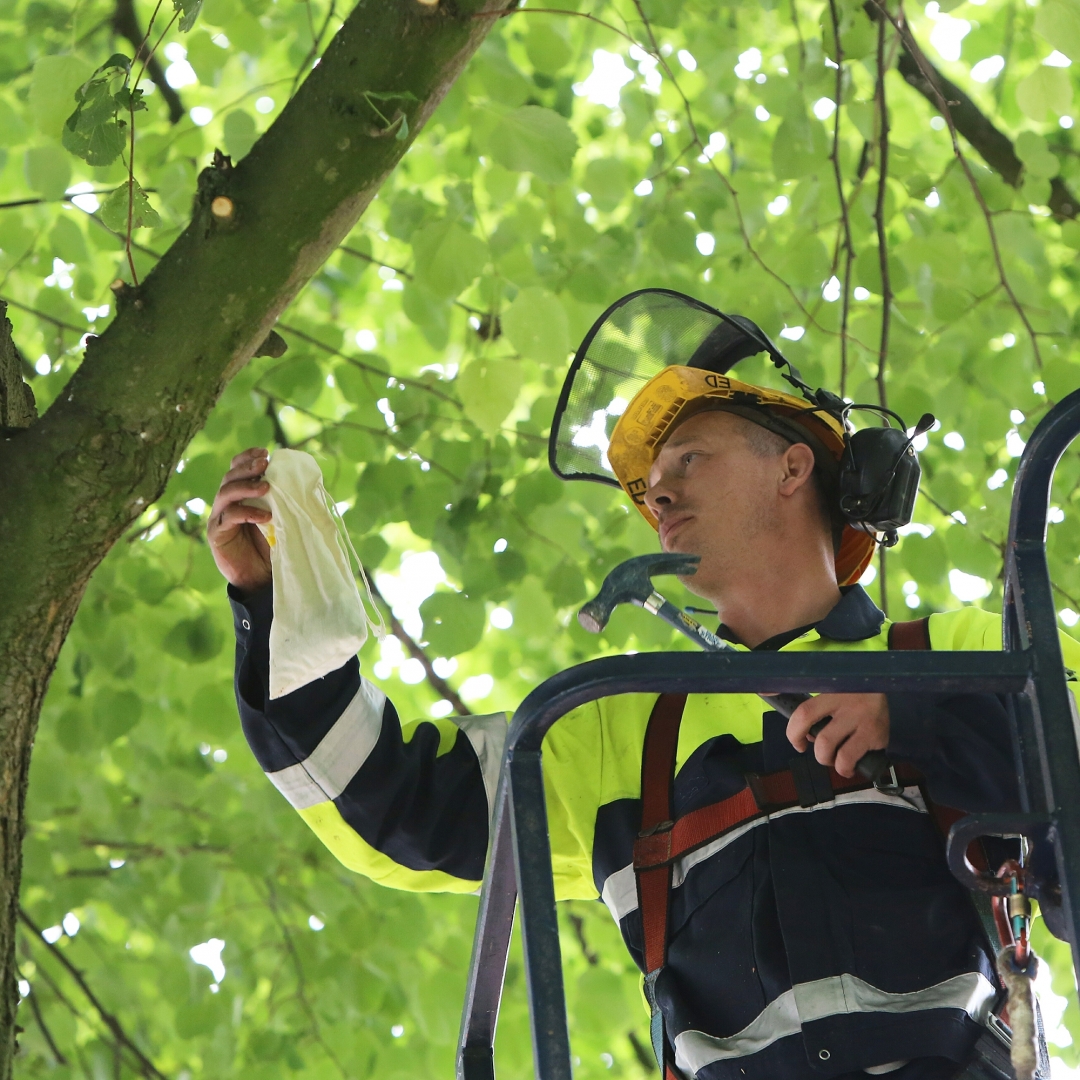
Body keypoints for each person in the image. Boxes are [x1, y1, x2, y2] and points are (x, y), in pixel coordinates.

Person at [209, 290, 1075, 1080]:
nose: (657, 495)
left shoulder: (962, 651)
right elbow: (390, 805)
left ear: (793, 467)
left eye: (687, 460)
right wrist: (274, 608)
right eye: (648, 490)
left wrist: (912, 716)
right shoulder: (612, 729)